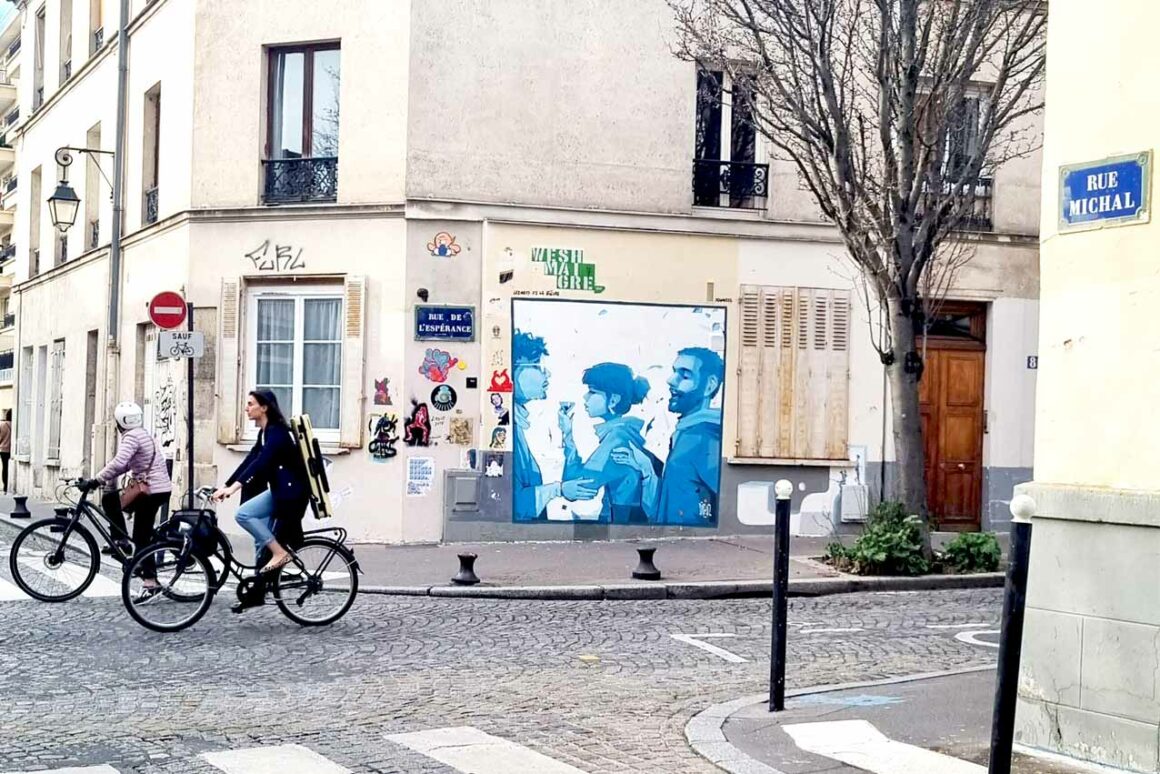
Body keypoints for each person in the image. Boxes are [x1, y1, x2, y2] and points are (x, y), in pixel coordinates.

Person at [212, 390, 309, 612]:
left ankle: (280, 553)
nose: (246, 408)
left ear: (264, 408)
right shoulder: (265, 433)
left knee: (244, 515)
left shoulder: (278, 433)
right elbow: (252, 459)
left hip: (291, 496)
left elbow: (262, 463)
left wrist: (236, 487)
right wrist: (227, 485)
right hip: (281, 491)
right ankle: (256, 593)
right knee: (259, 540)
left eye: (250, 404)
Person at [614, 348, 724, 526]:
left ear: (709, 385)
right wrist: (645, 467)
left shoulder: (703, 437)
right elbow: (669, 500)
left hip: (689, 548)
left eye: (685, 375)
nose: (671, 380)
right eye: (674, 372)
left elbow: (721, 499)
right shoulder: (687, 432)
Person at [511, 330, 598, 521]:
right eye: (537, 366)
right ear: (513, 370)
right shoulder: (509, 430)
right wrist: (558, 489)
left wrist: (567, 434)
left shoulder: (515, 425)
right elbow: (511, 504)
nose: (547, 373)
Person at [88, 402, 173, 598]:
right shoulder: (143, 433)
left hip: (151, 490)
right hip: (157, 489)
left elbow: (119, 462)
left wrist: (96, 480)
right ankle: (122, 540)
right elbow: (128, 464)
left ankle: (150, 581)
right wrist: (104, 477)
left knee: (142, 536)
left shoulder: (131, 437)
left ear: (119, 422)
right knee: (111, 500)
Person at [560, 363, 661, 524]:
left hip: (620, 524)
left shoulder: (616, 439)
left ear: (613, 400)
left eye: (592, 392)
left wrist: (567, 435)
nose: (585, 397)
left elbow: (577, 486)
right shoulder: (627, 433)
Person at [0, 409, 11, 494]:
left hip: (3, 449)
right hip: (12, 450)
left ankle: (5, 487)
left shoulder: (2, 425)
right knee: (9, 468)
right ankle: (9, 484)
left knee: (5, 468)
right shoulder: (15, 424)